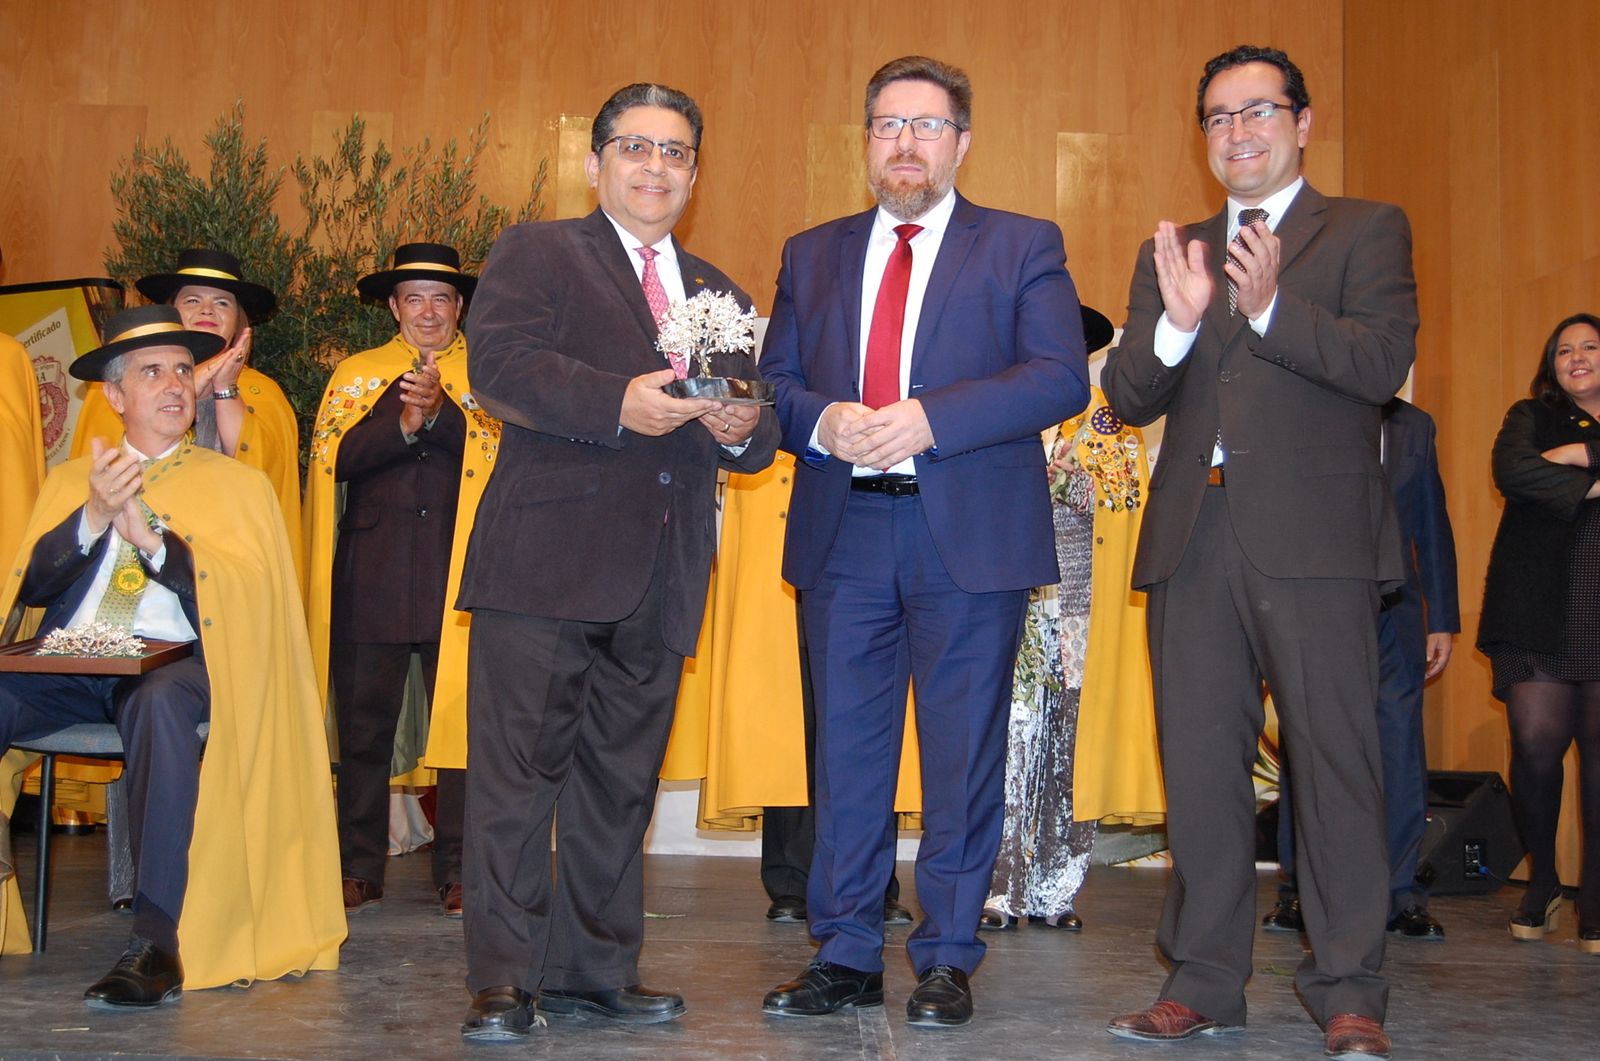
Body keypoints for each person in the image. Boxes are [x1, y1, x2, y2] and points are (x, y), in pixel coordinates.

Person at [759, 55, 1089, 1028]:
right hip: (844, 530)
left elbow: (1057, 377)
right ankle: (848, 949)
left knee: (961, 757)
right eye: (888, 126)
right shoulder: (810, 252)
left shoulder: (1023, 244)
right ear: (865, 142)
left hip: (968, 538)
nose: (905, 143)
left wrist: (924, 418)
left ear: (962, 142)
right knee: (848, 757)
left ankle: (945, 953)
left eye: (926, 126)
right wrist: (823, 421)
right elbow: (774, 383)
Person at [1100, 45, 1416, 1059]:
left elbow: (1378, 362)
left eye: (1258, 111)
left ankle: (1348, 988)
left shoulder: (1364, 228)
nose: (1238, 132)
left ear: (1302, 122)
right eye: (1218, 117)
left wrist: (1273, 307)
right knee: (1199, 771)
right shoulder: (1177, 247)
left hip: (1317, 541)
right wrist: (1181, 327)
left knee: (1335, 769)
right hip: (1196, 536)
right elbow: (1128, 398)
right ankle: (1202, 982)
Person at [453, 82, 778, 1041]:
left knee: (619, 785)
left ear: (694, 172)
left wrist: (740, 424)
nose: (654, 166)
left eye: (674, 152)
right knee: (517, 780)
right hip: (544, 565)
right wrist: (614, 403)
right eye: (634, 147)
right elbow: (499, 366)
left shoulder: (722, 292)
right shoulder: (538, 252)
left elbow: (755, 445)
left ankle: (594, 969)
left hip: (663, 571)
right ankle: (505, 978)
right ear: (596, 164)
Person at [0, 305, 344, 1004]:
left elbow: (249, 599)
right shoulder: (73, 480)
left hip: (179, 662)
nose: (174, 385)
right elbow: (30, 583)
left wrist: (152, 537)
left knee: (158, 706)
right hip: (80, 659)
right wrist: (95, 517)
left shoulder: (237, 486)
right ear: (115, 396)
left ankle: (156, 942)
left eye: (184, 370)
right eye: (151, 371)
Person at [304, 242, 487, 919]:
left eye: (442, 297)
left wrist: (439, 412)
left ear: (459, 305)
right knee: (362, 731)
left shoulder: (489, 371)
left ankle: (461, 868)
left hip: (459, 579)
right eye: (415, 297)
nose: (429, 310)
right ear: (393, 306)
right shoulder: (356, 374)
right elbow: (334, 463)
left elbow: (498, 456)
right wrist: (404, 421)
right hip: (371, 578)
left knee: (464, 733)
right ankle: (357, 867)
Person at [981, 312, 1163, 934]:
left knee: (1068, 752)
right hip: (1013, 604)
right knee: (1007, 749)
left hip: (1081, 609)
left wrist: (1072, 482)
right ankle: (996, 888)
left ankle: (1054, 889)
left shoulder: (1111, 417)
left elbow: (1126, 501)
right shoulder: (1004, 407)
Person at [1266, 398, 1459, 941]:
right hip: (1317, 605)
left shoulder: (1416, 425)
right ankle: (1299, 889)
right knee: (1310, 743)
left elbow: (1431, 522)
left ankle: (1401, 895)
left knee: (1399, 749)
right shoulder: (1306, 409)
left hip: (1397, 614)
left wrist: (1441, 618)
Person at [1478, 311, 1600, 954]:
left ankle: (1597, 894)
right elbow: (1513, 471)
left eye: (1589, 347)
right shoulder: (1529, 417)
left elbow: (1544, 476)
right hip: (1534, 604)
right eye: (1563, 351)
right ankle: (1544, 880)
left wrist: (1580, 456)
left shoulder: (1566, 439)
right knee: (1534, 748)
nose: (1575, 357)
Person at [71, 249, 303, 576]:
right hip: (125, 542)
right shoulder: (115, 385)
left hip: (221, 550)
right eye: (192, 300)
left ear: (239, 319)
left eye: (222, 302)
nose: (207, 309)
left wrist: (225, 388)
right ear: (172, 312)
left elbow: (261, 474)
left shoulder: (264, 393)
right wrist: (190, 382)